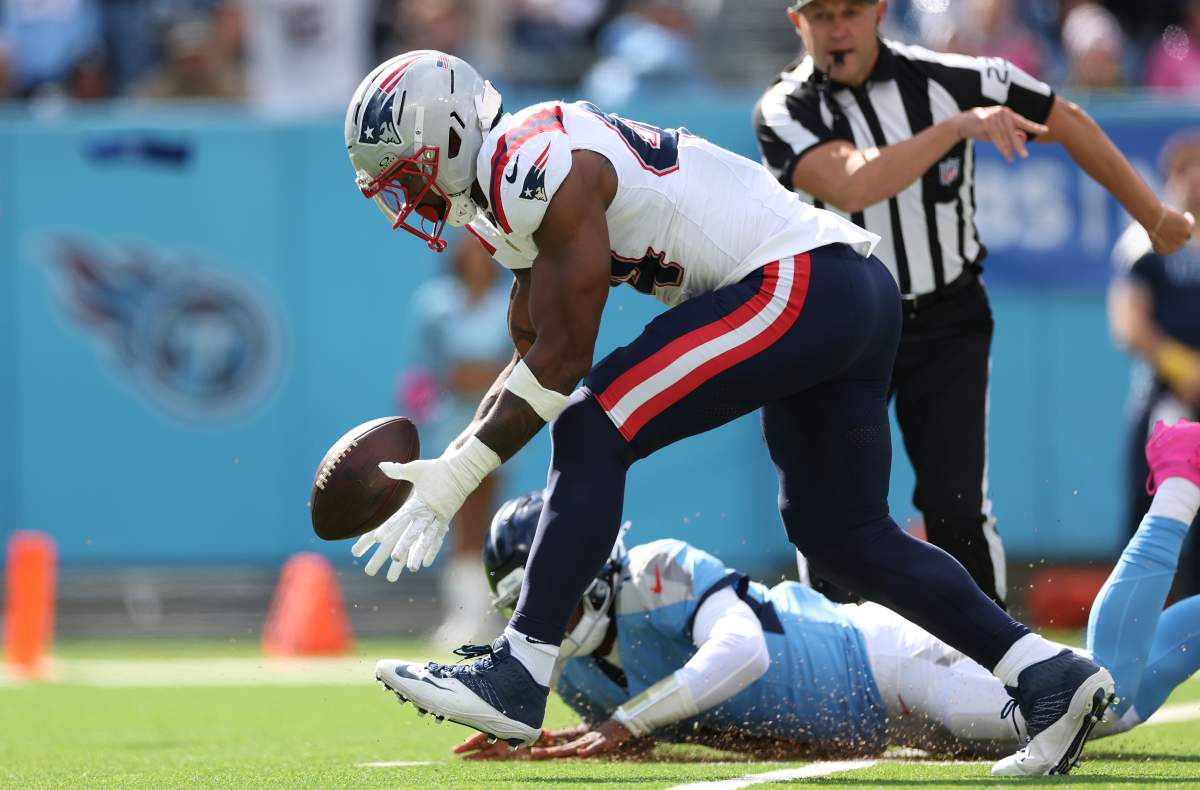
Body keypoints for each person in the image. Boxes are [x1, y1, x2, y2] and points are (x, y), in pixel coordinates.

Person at [345, 50, 1114, 776]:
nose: (404, 199)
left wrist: (457, 478)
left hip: (799, 281)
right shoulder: (508, 189)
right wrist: (452, 464)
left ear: (450, 135)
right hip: (844, 290)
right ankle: (1046, 673)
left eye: (405, 174)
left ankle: (520, 672)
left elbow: (564, 364)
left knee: (593, 423)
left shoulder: (532, 159)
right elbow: (533, 358)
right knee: (842, 538)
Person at [753, 0, 1195, 608]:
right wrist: (956, 129)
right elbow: (852, 182)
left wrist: (1153, 214)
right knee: (833, 507)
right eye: (821, 16)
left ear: (879, 10)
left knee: (956, 505)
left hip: (944, 320)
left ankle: (993, 657)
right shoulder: (785, 106)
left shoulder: (948, 78)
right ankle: (838, 653)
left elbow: (1065, 118)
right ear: (796, 23)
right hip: (841, 329)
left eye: (850, 11)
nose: (837, 29)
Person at [445, 426, 1200, 760]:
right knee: (1120, 698)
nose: (547, 613)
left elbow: (740, 653)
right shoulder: (574, 677)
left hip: (888, 666)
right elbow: (660, 732)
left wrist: (625, 725)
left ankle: (1177, 481)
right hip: (888, 724)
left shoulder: (656, 570)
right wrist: (549, 739)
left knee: (1105, 702)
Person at [403, 231, 512, 646]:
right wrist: (453, 380)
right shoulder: (434, 305)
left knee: (484, 514)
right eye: (469, 246)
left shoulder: (511, 300)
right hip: (449, 424)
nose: (476, 253)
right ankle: (464, 616)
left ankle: (482, 617)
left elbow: (517, 362)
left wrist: (483, 378)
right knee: (454, 514)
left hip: (497, 421)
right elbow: (424, 368)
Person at [1110, 131, 1200, 596]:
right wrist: (1183, 367)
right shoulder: (1148, 243)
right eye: (1189, 172)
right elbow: (1128, 323)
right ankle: (1137, 613)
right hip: (1168, 399)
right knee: (1154, 516)